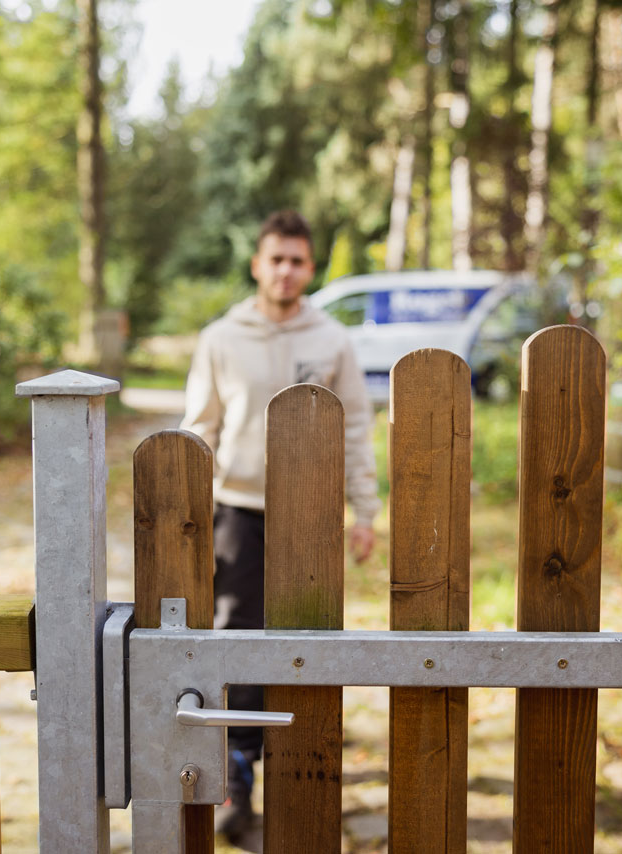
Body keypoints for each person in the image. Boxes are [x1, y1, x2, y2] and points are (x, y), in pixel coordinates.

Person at [180, 209, 380, 841]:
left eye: (298, 260)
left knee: (305, 638)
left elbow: (355, 427)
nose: (286, 271)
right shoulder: (221, 337)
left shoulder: (332, 341)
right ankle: (237, 787)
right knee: (236, 637)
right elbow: (198, 425)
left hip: (312, 518)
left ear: (310, 268)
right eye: (276, 259)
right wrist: (188, 511)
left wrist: (364, 510)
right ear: (257, 265)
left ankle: (299, 779)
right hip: (237, 508)